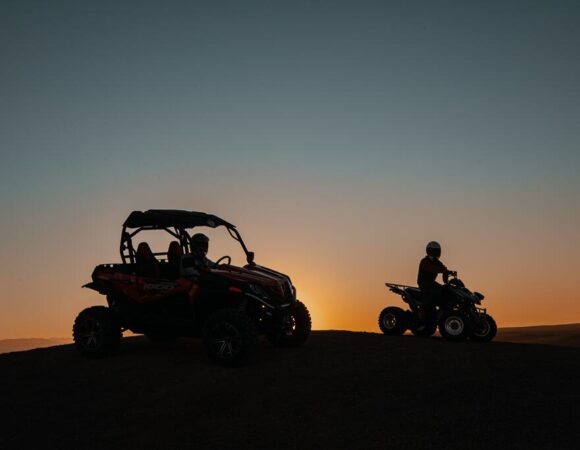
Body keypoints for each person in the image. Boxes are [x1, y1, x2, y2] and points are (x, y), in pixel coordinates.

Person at [416, 241, 452, 325]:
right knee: (435, 291)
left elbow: (443, 269)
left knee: (445, 290)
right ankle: (423, 309)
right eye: (433, 251)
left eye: (436, 251)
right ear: (429, 251)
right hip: (423, 282)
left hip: (431, 282)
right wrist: (443, 270)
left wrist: (446, 277)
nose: (435, 253)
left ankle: (442, 311)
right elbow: (432, 269)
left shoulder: (437, 262)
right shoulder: (424, 261)